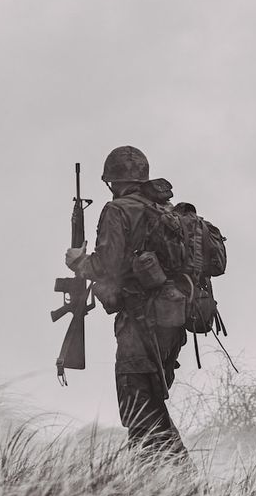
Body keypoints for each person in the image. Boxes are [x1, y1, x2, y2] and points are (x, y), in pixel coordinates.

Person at [64, 145, 190, 460]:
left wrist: (79, 261)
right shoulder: (165, 210)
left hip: (140, 323)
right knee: (150, 405)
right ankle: (170, 483)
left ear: (112, 182)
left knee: (138, 409)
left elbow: (107, 266)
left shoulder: (117, 210)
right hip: (171, 324)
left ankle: (170, 482)